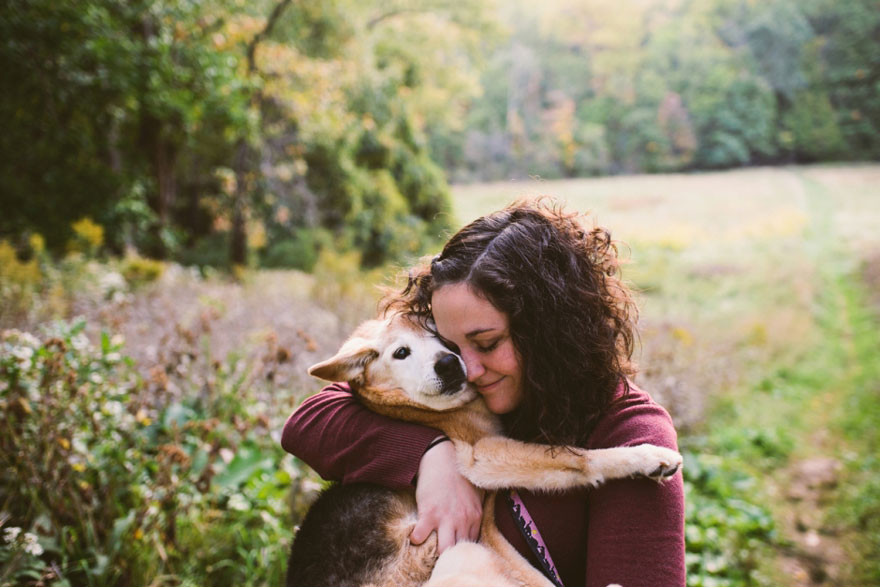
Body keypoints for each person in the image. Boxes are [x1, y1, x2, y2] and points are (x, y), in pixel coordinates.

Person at [282, 198, 685, 587]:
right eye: (451, 348)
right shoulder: (451, 398)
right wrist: (431, 456)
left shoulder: (633, 435)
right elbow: (307, 421)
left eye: (488, 344)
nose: (467, 370)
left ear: (550, 332)